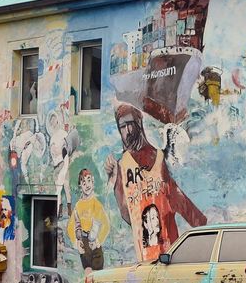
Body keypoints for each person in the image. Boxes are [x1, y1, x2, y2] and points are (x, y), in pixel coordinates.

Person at [105, 103, 206, 262]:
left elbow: (177, 198)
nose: (128, 131)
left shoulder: (159, 158)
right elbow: (127, 215)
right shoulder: (122, 165)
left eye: (131, 124)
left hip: (169, 253)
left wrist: (203, 228)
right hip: (144, 257)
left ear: (139, 123)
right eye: (123, 126)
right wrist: (115, 179)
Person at [70, 168, 110, 271]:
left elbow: (106, 225)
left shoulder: (97, 204)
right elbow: (71, 227)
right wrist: (76, 243)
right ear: (80, 186)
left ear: (93, 181)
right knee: (88, 274)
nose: (87, 185)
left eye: (89, 180)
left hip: (95, 245)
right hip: (84, 243)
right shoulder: (78, 206)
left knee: (98, 274)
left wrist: (98, 241)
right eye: (84, 183)